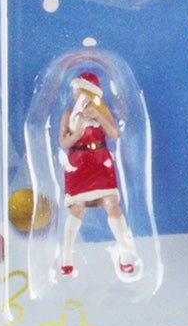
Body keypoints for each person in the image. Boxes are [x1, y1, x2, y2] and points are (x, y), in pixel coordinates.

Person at [57, 71, 139, 277]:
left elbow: (114, 134)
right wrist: (77, 134)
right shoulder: (69, 114)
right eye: (74, 92)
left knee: (111, 203)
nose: (75, 95)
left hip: (100, 161)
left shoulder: (101, 111)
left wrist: (99, 117)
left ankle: (125, 253)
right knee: (78, 207)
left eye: (79, 91)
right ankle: (66, 256)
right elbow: (63, 142)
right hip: (79, 162)